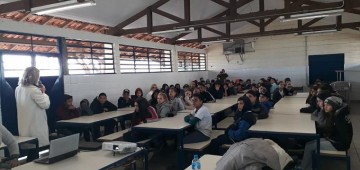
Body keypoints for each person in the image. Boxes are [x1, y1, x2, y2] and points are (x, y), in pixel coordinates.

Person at [302, 96, 352, 170]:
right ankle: (307, 164)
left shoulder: (338, 118)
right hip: (334, 140)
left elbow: (343, 138)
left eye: (328, 105)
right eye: (324, 105)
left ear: (334, 106)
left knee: (309, 146)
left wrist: (329, 139)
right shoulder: (337, 114)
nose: (325, 107)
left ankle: (305, 168)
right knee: (310, 143)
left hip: (338, 145)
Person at [15, 67, 50, 149]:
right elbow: (45, 105)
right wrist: (43, 93)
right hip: (35, 123)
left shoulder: (18, 88)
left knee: (30, 146)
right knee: (36, 146)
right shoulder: (34, 90)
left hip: (24, 123)